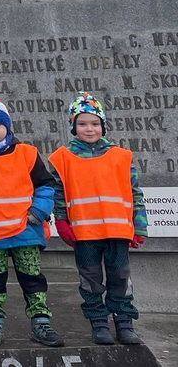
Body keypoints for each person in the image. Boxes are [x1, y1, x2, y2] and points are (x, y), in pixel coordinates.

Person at [0, 91, 63, 348]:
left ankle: (41, 322)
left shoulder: (27, 153)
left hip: (26, 230)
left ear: (7, 125)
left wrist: (38, 212)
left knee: (33, 279)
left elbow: (45, 185)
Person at [50, 92, 147, 346]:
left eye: (95, 123)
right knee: (90, 280)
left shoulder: (121, 156)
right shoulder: (62, 158)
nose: (89, 128)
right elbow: (58, 193)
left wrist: (139, 226)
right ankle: (99, 322)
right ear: (73, 127)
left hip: (117, 231)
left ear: (103, 125)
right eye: (82, 123)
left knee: (120, 278)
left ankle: (124, 321)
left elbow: (135, 193)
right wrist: (61, 221)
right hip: (84, 234)